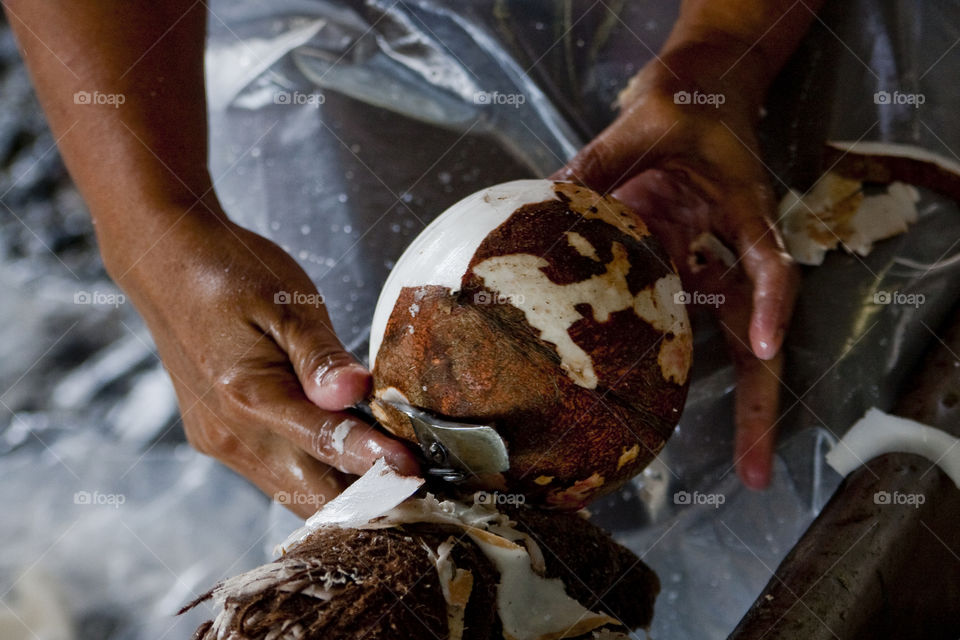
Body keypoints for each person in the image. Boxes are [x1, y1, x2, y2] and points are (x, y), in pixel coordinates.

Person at [3, 0, 821, 517]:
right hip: (300, 32)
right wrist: (152, 225)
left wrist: (727, 46)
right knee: (338, 446)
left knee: (804, 378)